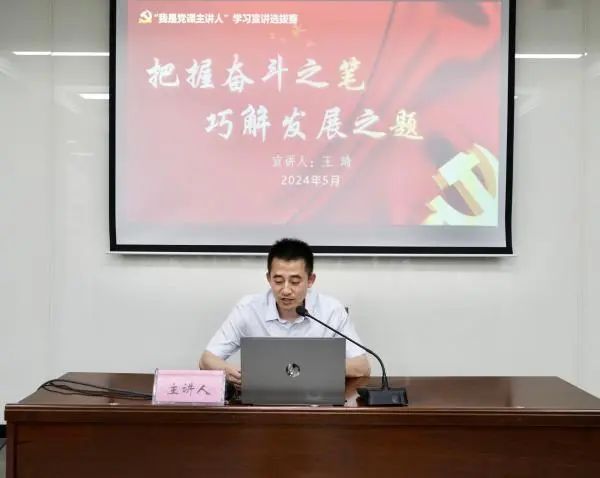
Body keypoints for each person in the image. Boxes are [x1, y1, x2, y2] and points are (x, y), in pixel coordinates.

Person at [199, 238, 371, 387]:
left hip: (317, 403)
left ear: (310, 280)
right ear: (268, 278)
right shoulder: (248, 309)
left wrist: (314, 369)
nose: (286, 290)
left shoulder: (331, 311)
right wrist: (230, 372)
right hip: (261, 403)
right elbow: (206, 360)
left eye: (295, 282)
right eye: (278, 281)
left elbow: (362, 366)